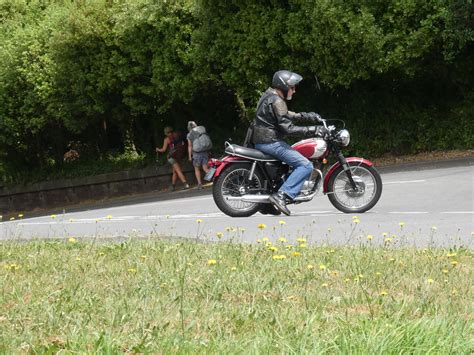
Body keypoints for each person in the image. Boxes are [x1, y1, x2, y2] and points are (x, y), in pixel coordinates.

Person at [252, 70, 327, 216]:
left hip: (263, 140)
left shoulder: (269, 96)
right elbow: (288, 129)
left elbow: (285, 115)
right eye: (292, 87)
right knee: (305, 165)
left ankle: (267, 204)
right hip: (270, 142)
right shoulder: (277, 100)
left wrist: (306, 116)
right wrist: (314, 130)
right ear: (284, 86)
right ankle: (282, 195)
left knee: (287, 167)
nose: (294, 90)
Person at [156, 126, 190, 191]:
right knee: (175, 172)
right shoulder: (176, 135)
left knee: (178, 170)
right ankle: (173, 186)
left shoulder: (166, 139)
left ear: (166, 132)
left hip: (172, 157)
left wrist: (158, 149)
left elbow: (163, 150)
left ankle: (185, 184)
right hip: (179, 156)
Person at [187, 121, 212, 189]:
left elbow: (190, 146)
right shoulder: (202, 129)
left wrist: (189, 156)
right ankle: (216, 179)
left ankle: (199, 184)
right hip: (205, 151)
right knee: (205, 168)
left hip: (197, 153)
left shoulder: (189, 134)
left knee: (197, 168)